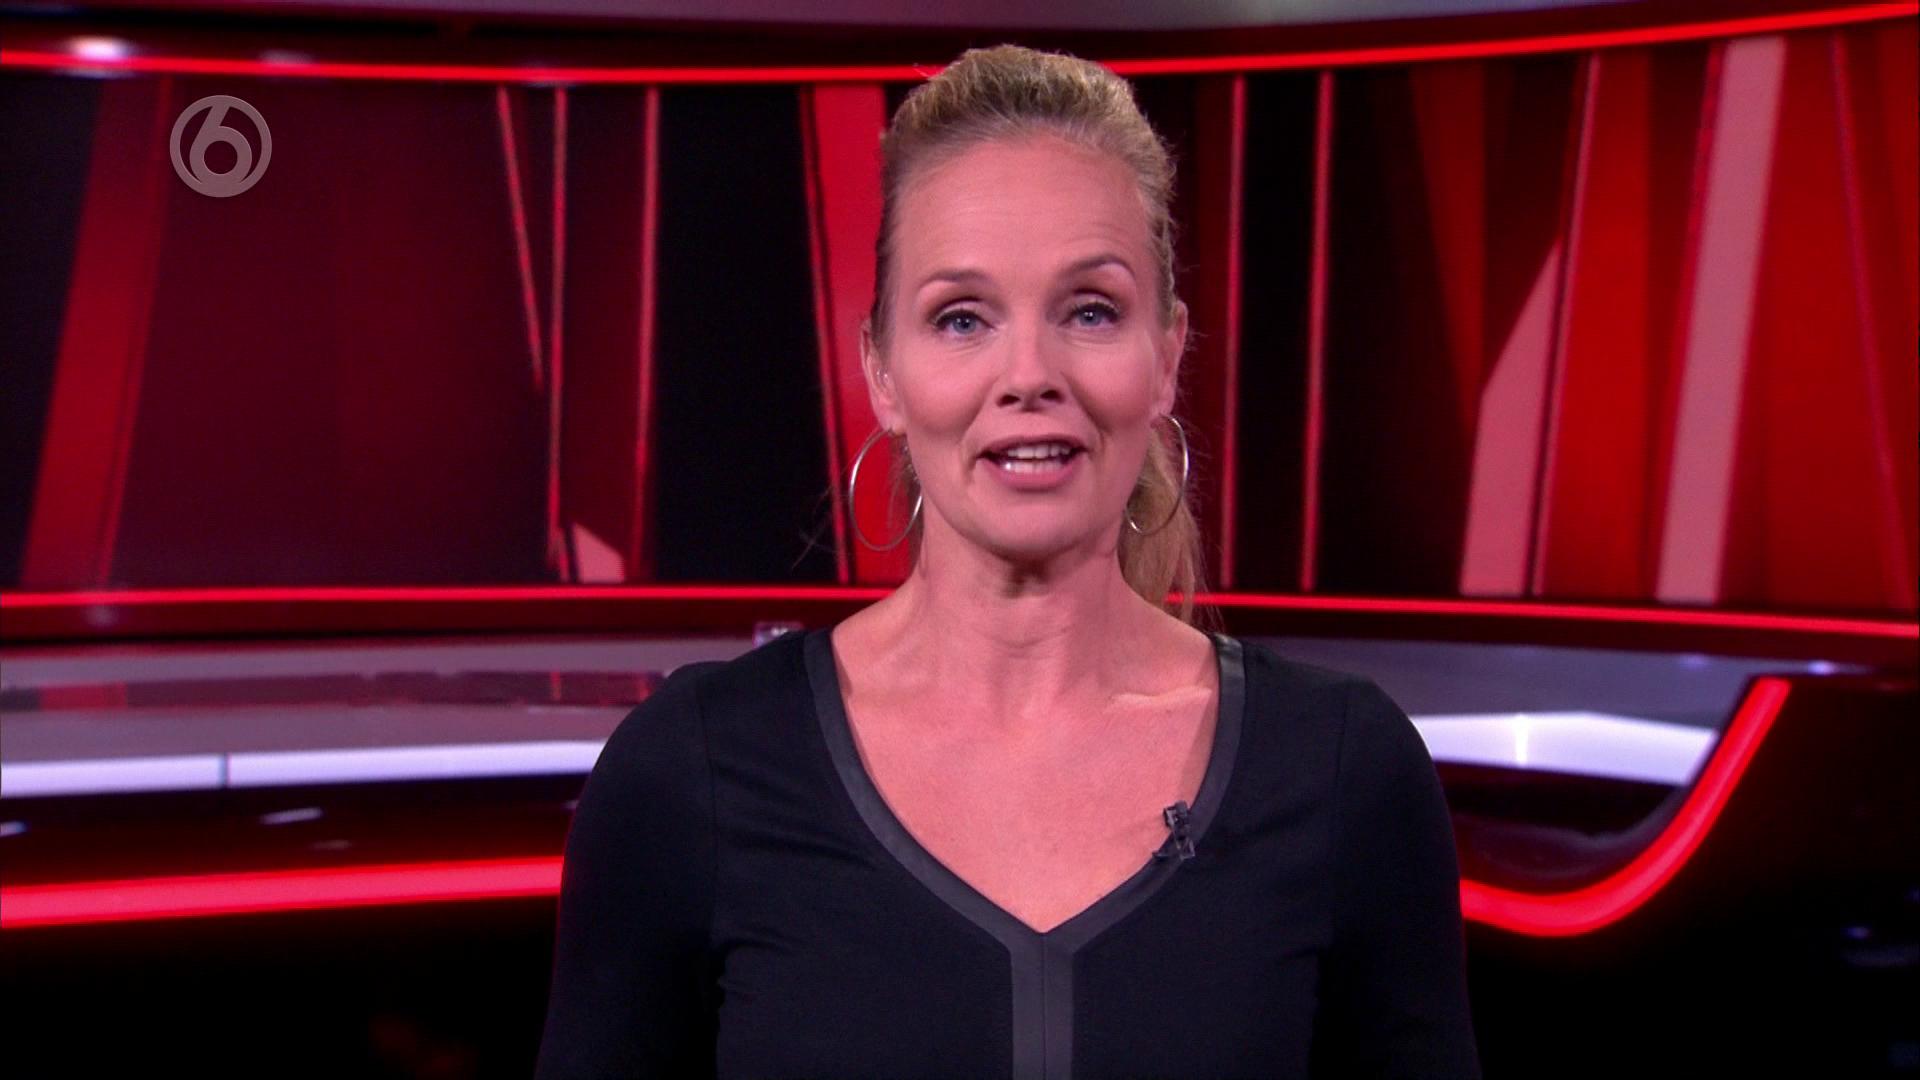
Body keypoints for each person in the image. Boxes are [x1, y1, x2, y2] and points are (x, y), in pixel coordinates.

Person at [535, 44, 1481, 1079]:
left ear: (1166, 356)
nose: (1029, 374)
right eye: (962, 318)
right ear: (882, 371)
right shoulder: (695, 770)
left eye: (1090, 311)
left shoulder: (1342, 767)